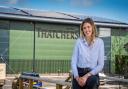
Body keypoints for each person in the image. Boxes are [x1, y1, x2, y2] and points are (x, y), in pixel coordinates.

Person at [71, 17, 104, 89]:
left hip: (92, 74)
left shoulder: (100, 42)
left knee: (94, 81)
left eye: (88, 27)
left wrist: (86, 76)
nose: (87, 30)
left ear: (92, 27)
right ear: (82, 30)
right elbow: (73, 61)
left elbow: (101, 65)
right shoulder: (78, 42)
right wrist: (77, 78)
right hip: (79, 73)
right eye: (84, 28)